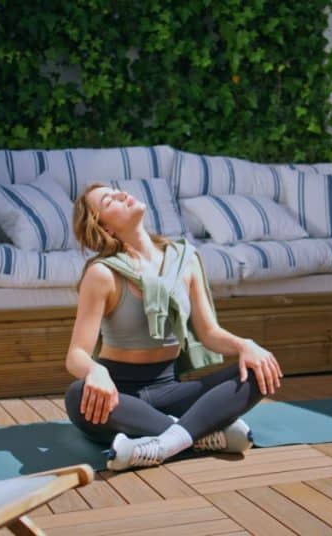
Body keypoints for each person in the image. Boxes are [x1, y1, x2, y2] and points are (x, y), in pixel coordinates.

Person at [64, 183, 284, 471]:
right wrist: (96, 371)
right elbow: (76, 354)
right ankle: (201, 432)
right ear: (105, 228)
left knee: (257, 371)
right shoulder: (102, 273)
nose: (120, 194)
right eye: (109, 200)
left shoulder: (185, 260)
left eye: (117, 190)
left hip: (172, 390)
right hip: (120, 395)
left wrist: (246, 345)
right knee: (77, 396)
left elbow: (209, 333)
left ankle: (162, 445)